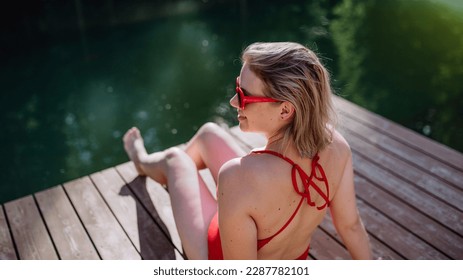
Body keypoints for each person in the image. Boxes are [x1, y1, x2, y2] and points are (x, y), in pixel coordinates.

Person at [123, 42, 372, 260]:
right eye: (237, 87)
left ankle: (142, 160)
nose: (233, 102)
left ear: (285, 111)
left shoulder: (237, 176)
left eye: (243, 96)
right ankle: (183, 189)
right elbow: (350, 226)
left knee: (176, 159)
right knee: (209, 132)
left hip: (218, 259)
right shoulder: (337, 145)